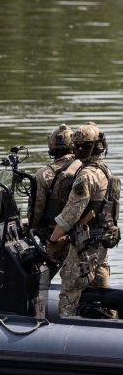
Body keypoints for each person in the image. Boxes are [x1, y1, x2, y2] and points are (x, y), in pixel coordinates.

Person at [48, 122, 120, 316]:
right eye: (77, 146)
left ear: (96, 146)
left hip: (84, 248)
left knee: (69, 291)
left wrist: (52, 240)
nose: (80, 150)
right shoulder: (106, 171)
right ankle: (112, 326)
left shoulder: (86, 176)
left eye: (83, 146)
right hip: (101, 246)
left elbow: (70, 215)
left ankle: (66, 331)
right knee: (104, 293)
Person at [29, 124, 80, 277]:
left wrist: (31, 229)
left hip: (52, 236)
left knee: (37, 277)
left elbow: (37, 209)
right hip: (81, 235)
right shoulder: (86, 169)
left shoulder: (44, 173)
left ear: (51, 147)